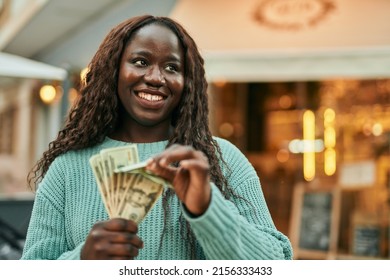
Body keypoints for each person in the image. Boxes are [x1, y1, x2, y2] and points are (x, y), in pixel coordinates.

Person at [21, 15, 293, 260]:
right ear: (114, 71)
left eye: (172, 67)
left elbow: (276, 266)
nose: (155, 77)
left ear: (188, 82)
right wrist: (82, 261)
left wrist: (207, 209)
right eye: (140, 62)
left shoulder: (222, 159)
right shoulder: (68, 169)